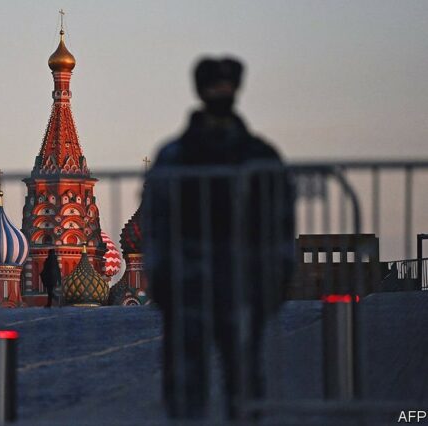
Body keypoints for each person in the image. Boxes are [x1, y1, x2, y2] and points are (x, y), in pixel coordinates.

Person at [143, 57, 295, 421]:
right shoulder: (176, 156)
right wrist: (161, 278)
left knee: (243, 379)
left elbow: (280, 221)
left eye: (226, 86)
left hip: (242, 281)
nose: (220, 93)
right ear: (200, 90)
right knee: (185, 380)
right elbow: (157, 220)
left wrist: (277, 278)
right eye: (214, 86)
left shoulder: (259, 154)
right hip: (188, 283)